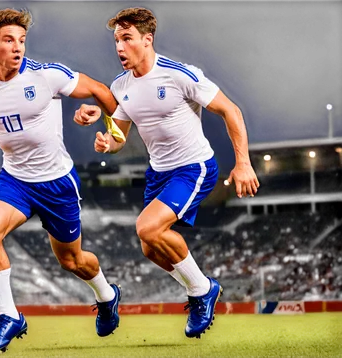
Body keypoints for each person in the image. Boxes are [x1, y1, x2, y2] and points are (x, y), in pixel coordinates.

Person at [74, 7, 259, 339]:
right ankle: (202, 288)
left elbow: (230, 110)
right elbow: (120, 134)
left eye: (127, 38)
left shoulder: (180, 74)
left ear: (147, 39)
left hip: (193, 167)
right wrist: (105, 139)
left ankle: (201, 290)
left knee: (146, 227)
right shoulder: (121, 84)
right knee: (150, 248)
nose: (119, 46)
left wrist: (243, 162)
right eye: (116, 39)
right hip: (158, 173)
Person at [0, 8, 122, 354]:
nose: (18, 48)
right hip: (14, 181)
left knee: (73, 261)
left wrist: (110, 127)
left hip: (58, 183)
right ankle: (10, 316)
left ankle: (107, 294)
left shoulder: (48, 76)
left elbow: (102, 91)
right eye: (9, 40)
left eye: (22, 41)